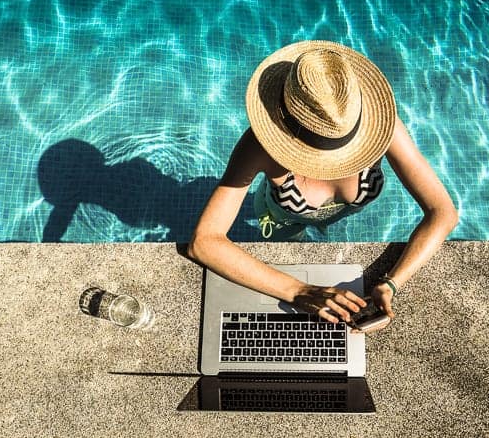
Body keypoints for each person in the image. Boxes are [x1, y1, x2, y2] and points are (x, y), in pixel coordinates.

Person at [187, 41, 458, 333]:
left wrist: (392, 283)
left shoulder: (380, 127)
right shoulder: (259, 146)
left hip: (323, 214)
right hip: (281, 218)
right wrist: (299, 291)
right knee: (289, 238)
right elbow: (204, 242)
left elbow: (442, 212)